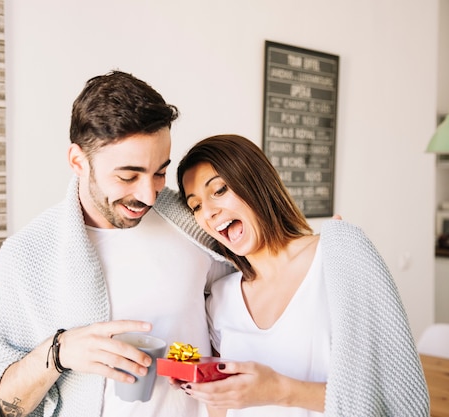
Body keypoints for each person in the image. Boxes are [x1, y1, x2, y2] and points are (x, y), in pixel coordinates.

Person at [0, 71, 234, 417]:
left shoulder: (195, 225)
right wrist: (59, 354)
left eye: (159, 172)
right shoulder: (26, 257)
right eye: (127, 176)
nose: (148, 194)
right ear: (78, 161)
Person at [175, 134, 430, 417]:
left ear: (256, 182)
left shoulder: (338, 256)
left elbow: (392, 397)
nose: (208, 212)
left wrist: (280, 391)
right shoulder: (221, 297)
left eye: (220, 190)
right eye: (195, 205)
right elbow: (221, 404)